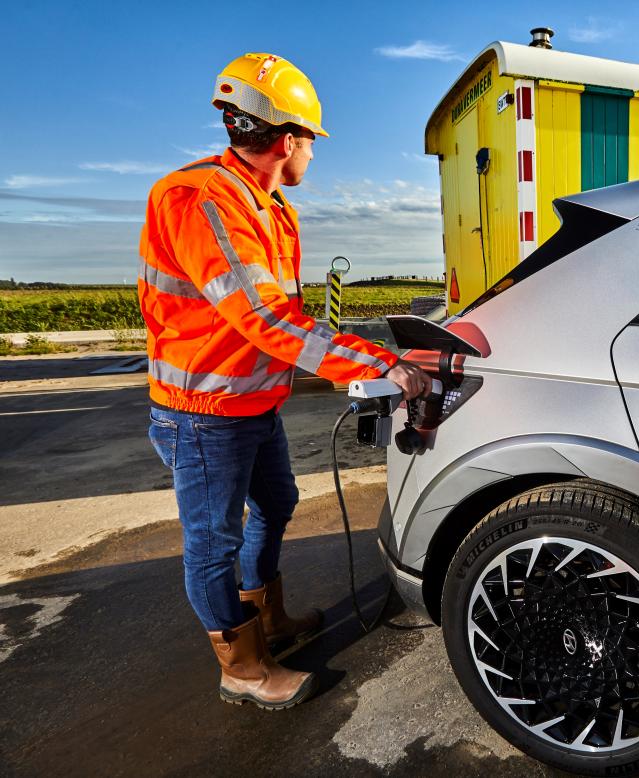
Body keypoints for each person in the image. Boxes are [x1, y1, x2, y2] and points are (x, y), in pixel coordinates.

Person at [139, 52, 428, 710]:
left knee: (277, 504)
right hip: (202, 410)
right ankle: (241, 668)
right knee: (213, 540)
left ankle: (264, 618)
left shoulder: (268, 207)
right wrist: (381, 364)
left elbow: (289, 319)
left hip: (250, 402)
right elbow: (265, 318)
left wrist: (361, 351)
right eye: (312, 144)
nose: (314, 157)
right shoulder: (201, 199)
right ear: (289, 137)